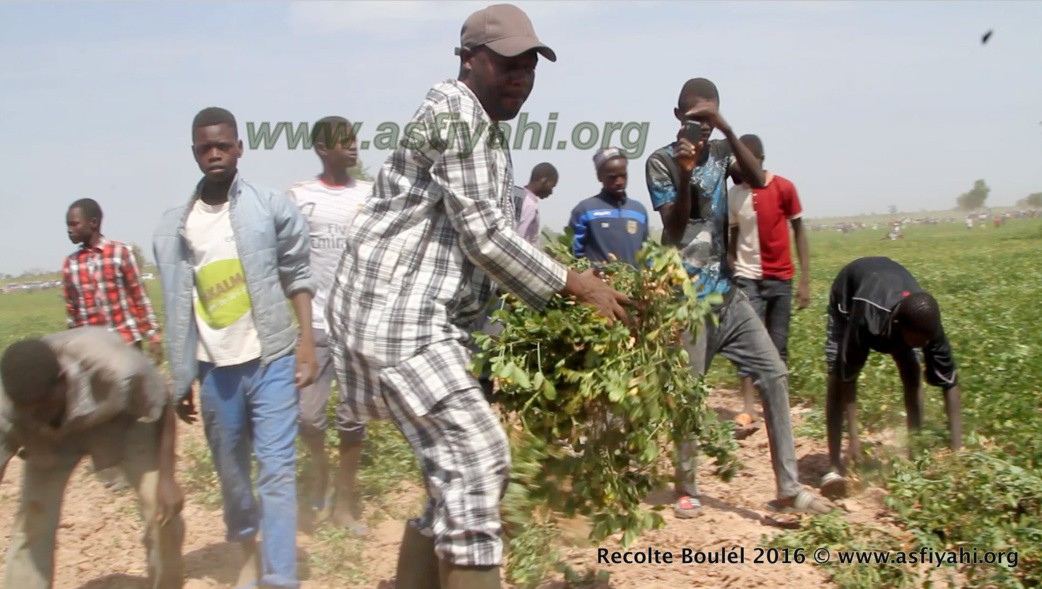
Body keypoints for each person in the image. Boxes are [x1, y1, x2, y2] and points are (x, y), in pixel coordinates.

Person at [324, 5, 632, 588]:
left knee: (453, 479)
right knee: (477, 453)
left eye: (530, 66)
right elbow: (486, 236)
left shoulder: (480, 126)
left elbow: (472, 253)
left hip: (414, 315)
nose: (520, 77)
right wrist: (578, 285)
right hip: (397, 315)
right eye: (506, 63)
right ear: (469, 59)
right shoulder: (457, 114)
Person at [645, 77, 832, 519]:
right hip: (687, 302)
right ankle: (686, 486)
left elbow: (758, 180)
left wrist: (727, 130)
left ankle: (788, 487)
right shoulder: (659, 162)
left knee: (774, 373)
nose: (700, 129)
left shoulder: (723, 150)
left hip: (729, 297)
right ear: (677, 117)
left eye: (707, 119)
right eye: (694, 119)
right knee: (689, 394)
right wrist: (687, 170)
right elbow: (673, 230)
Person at [153, 106, 317, 589]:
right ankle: (246, 549)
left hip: (272, 360)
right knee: (233, 475)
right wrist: (181, 376)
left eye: (224, 144)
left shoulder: (269, 206)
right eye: (206, 147)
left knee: (277, 472)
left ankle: (279, 577)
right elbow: (178, 308)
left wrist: (306, 339)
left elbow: (298, 275)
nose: (215, 154)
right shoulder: (173, 227)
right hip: (214, 369)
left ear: (240, 147)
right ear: (194, 153)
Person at [0, 327, 184, 589]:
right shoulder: (12, 405)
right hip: (50, 440)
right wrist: (35, 422)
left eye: (40, 408)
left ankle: (166, 584)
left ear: (62, 380)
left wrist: (167, 478)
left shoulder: (118, 368)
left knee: (160, 505)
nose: (34, 415)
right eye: (26, 412)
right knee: (33, 521)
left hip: (118, 422)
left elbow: (161, 402)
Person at [287, 116, 372, 533]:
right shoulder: (300, 197)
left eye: (355, 140)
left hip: (357, 325)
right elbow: (288, 261)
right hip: (316, 325)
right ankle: (318, 472)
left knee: (353, 419)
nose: (354, 147)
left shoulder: (372, 196)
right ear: (323, 149)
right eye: (345, 142)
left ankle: (343, 503)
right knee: (308, 417)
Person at [821, 256, 962, 498]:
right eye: (918, 342)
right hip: (850, 295)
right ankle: (834, 467)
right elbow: (848, 376)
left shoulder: (927, 324)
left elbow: (950, 382)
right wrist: (854, 439)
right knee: (837, 373)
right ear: (897, 327)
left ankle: (915, 451)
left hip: (893, 297)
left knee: (911, 370)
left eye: (926, 342)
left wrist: (958, 451)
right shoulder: (866, 317)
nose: (925, 345)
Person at [63, 197, 165, 490]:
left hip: (126, 343)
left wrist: (153, 335)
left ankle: (142, 461)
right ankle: (111, 468)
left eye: (74, 223)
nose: (69, 230)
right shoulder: (70, 265)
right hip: (92, 352)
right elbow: (72, 313)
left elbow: (138, 296)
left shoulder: (120, 254)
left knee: (131, 405)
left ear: (93, 223)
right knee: (102, 408)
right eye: (68, 225)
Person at [726, 135, 811, 429]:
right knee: (748, 342)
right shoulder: (735, 195)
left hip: (781, 278)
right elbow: (733, 238)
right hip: (748, 278)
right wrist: (732, 268)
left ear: (759, 159)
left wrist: (805, 280)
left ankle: (777, 406)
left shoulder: (785, 188)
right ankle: (749, 407)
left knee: (778, 345)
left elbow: (799, 231)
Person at [568, 147, 650, 266]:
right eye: (613, 177)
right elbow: (575, 255)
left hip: (633, 283)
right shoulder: (585, 210)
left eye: (623, 175)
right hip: (597, 283)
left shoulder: (639, 211)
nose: (619, 181)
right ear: (599, 176)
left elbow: (646, 254)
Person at [515, 162, 559, 246]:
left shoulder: (519, 195)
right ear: (544, 181)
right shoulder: (530, 205)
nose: (551, 192)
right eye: (552, 186)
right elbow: (519, 238)